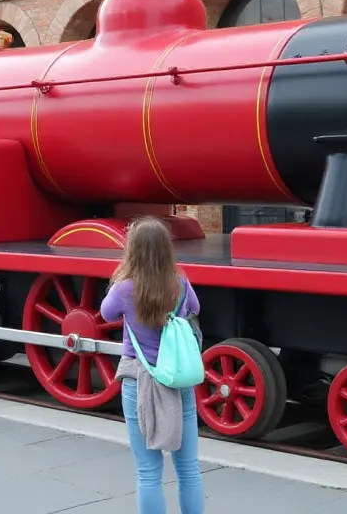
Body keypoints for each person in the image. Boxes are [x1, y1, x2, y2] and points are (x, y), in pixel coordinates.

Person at [100, 217, 204, 514]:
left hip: (139, 379)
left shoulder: (124, 288)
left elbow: (106, 314)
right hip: (179, 380)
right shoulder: (180, 283)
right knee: (189, 468)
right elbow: (195, 309)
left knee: (148, 472)